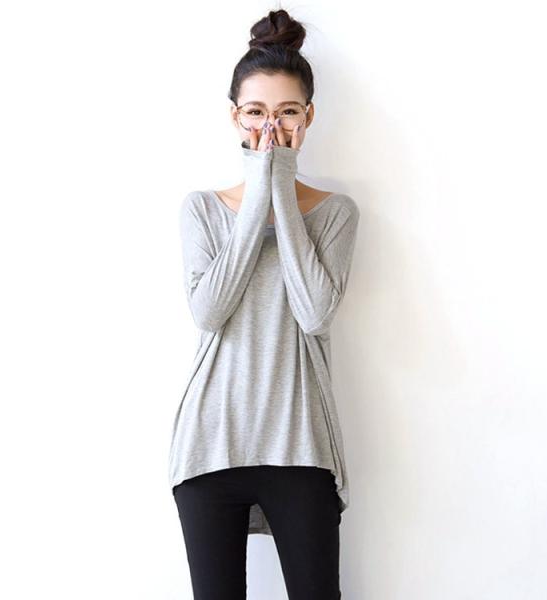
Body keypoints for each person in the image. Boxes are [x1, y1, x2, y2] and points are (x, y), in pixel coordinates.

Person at [168, 9, 360, 600]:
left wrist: (280, 178)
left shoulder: (334, 213)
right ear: (235, 116)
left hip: (301, 445)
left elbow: (315, 312)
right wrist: (261, 182)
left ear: (308, 118)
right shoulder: (202, 210)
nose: (269, 127)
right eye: (255, 112)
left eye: (287, 112)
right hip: (209, 444)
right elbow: (210, 311)